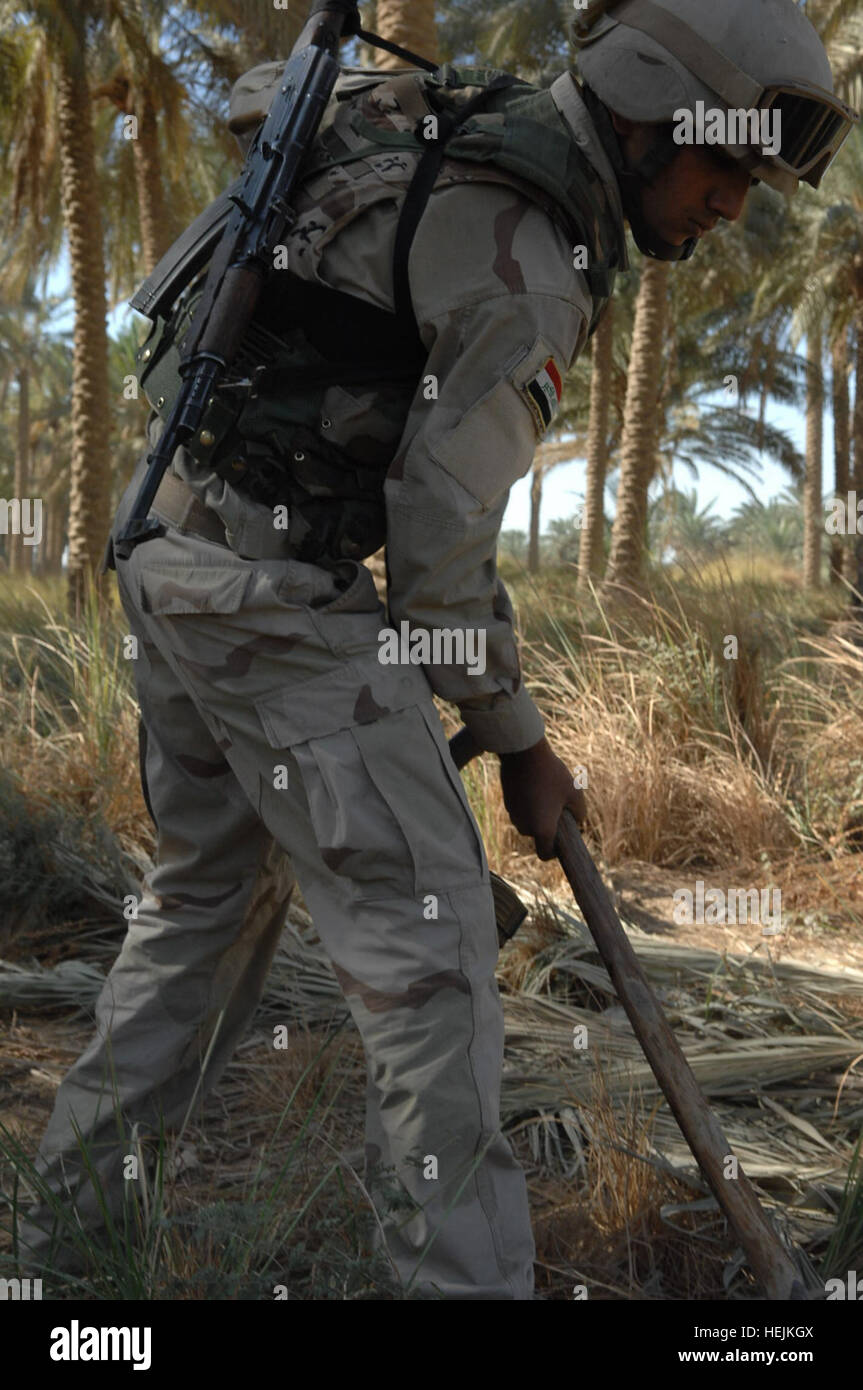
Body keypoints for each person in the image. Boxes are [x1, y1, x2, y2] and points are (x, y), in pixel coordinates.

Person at [18, 0, 856, 1299]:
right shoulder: (526, 256)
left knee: (197, 914)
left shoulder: (444, 128)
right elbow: (437, 553)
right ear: (642, 117)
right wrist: (520, 746)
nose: (733, 206)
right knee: (432, 953)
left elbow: (261, 120)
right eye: (725, 165)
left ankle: (59, 1256)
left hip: (170, 546)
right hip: (268, 600)